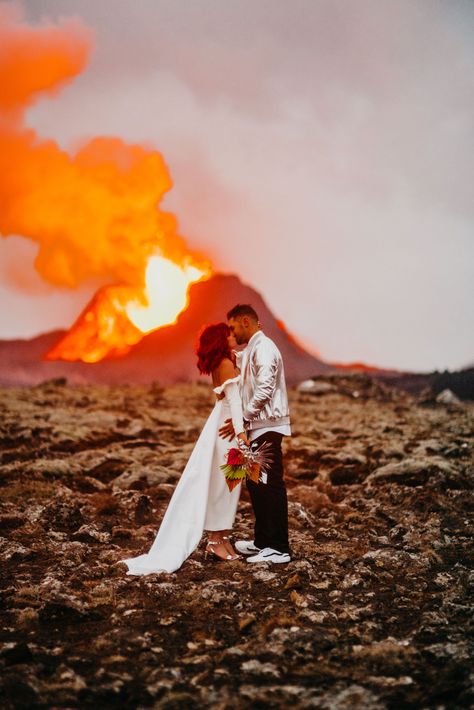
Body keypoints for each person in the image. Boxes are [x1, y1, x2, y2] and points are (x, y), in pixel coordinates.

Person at [120, 323, 249, 575]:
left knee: (229, 484)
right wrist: (241, 432)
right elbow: (234, 400)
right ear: (221, 340)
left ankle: (222, 538)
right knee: (225, 483)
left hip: (225, 424)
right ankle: (215, 540)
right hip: (228, 429)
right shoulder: (224, 364)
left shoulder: (227, 360)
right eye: (229, 334)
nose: (234, 336)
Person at [219, 304, 292, 564]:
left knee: (269, 484)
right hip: (257, 426)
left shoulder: (264, 348)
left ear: (246, 322)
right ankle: (263, 541)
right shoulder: (253, 349)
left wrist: (243, 419)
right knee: (256, 484)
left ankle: (279, 548)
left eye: (233, 327)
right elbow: (238, 361)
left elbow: (265, 389)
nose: (232, 332)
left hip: (267, 426)